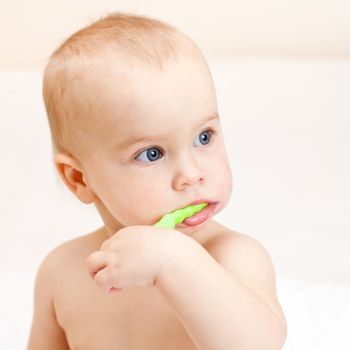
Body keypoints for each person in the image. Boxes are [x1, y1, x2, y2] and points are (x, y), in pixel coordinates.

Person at [27, 12, 287, 350]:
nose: (192, 174)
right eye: (151, 154)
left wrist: (175, 261)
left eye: (204, 137)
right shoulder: (61, 273)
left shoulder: (233, 257)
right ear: (79, 179)